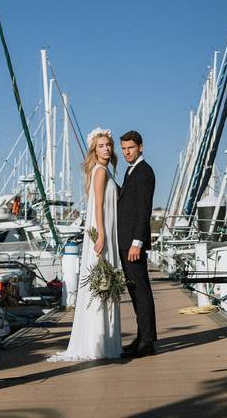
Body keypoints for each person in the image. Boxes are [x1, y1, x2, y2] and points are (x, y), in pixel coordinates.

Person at [47, 128, 123, 361]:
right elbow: (98, 206)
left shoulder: (104, 171)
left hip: (106, 232)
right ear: (94, 150)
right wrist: (101, 235)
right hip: (103, 234)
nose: (106, 148)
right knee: (102, 286)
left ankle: (103, 340)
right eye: (101, 145)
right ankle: (99, 343)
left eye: (108, 144)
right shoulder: (100, 172)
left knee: (103, 286)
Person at [117, 130, 157, 358]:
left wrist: (137, 242)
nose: (126, 153)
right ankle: (142, 337)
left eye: (130, 148)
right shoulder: (130, 171)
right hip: (126, 241)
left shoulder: (144, 172)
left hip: (133, 243)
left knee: (141, 291)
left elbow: (144, 211)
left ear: (140, 147)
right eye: (123, 149)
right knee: (134, 291)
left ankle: (148, 343)